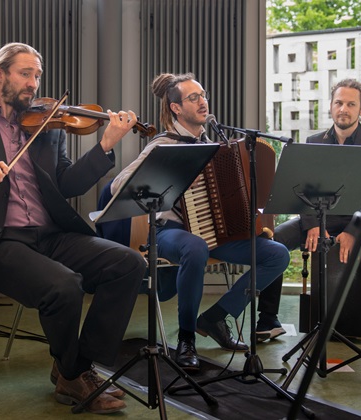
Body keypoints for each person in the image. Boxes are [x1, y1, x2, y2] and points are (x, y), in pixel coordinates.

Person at [0, 42, 146, 414]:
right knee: (64, 285)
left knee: (129, 264)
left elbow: (67, 185)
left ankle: (78, 365)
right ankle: (73, 375)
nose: (34, 83)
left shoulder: (48, 127)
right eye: (25, 73)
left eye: (37, 75)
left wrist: (104, 146)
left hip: (50, 235)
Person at [110, 72, 290, 370]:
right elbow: (118, 186)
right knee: (194, 247)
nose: (202, 101)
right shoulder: (163, 145)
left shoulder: (216, 146)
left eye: (203, 95)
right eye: (193, 98)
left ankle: (215, 317)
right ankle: (186, 339)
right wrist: (165, 181)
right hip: (170, 231)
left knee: (276, 254)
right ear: (176, 108)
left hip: (215, 234)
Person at [257, 78, 361, 360]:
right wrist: (312, 224)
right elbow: (300, 188)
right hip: (320, 216)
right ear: (330, 106)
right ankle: (268, 320)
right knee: (274, 241)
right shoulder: (314, 142)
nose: (344, 109)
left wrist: (354, 230)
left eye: (351, 104)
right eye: (339, 102)